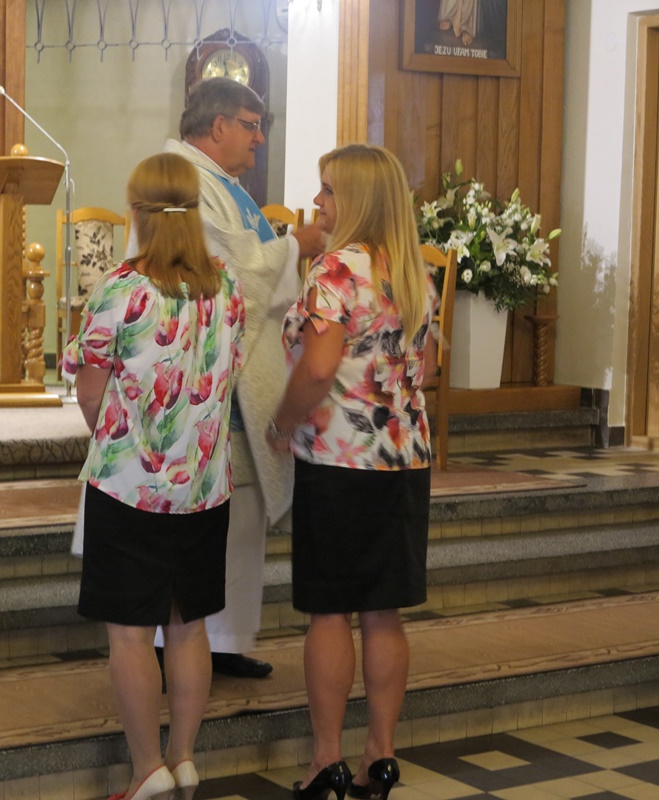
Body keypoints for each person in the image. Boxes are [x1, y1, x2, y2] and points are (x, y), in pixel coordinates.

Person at [62, 152, 245, 800]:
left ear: (138, 213)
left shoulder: (120, 290)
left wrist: (121, 442)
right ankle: (184, 758)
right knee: (189, 627)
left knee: (131, 634)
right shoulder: (226, 287)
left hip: (129, 489)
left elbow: (90, 393)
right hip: (204, 488)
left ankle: (147, 771)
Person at [267, 144, 437, 800]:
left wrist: (282, 423)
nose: (318, 202)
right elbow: (424, 369)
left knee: (330, 613)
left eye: (328, 190)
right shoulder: (410, 271)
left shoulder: (336, 269)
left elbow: (317, 369)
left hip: (339, 460)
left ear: (358, 199)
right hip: (402, 459)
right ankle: (381, 755)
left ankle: (326, 761)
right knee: (382, 613)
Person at [158, 76, 326, 679]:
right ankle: (178, 642)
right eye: (251, 126)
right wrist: (294, 244)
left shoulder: (217, 182)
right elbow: (230, 270)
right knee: (208, 520)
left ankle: (222, 642)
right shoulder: (178, 177)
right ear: (218, 125)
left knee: (240, 518)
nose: (259, 140)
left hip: (238, 377)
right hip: (204, 384)